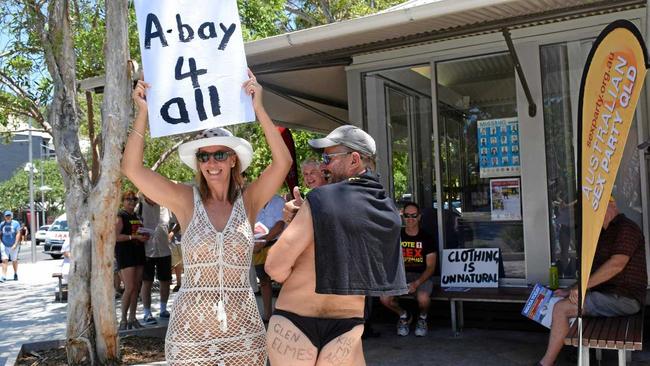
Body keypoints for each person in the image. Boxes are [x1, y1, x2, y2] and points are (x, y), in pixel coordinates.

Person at [122, 71, 291, 365]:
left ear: (233, 158)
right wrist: (144, 113)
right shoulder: (186, 200)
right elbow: (133, 170)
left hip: (244, 329)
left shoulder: (248, 200)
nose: (211, 163)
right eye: (204, 157)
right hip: (191, 330)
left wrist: (258, 108)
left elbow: (283, 162)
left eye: (219, 155)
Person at [265, 125, 407, 366]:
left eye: (328, 158)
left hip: (295, 322)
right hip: (346, 328)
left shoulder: (321, 200)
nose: (325, 166)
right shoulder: (389, 211)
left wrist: (294, 221)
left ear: (354, 159)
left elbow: (275, 267)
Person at [536, 198, 646, 366]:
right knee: (558, 300)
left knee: (561, 309)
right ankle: (575, 351)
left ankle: (545, 363)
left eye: (598, 208)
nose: (594, 214)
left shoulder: (626, 228)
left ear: (613, 205)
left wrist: (581, 288)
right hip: (608, 294)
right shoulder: (602, 233)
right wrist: (570, 289)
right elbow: (593, 274)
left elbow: (617, 265)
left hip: (625, 298)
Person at [380, 201, 438, 337]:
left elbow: (431, 268)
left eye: (413, 215)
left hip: (421, 277)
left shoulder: (427, 239)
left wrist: (416, 283)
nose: (410, 219)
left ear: (419, 217)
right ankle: (404, 315)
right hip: (401, 276)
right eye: (407, 215)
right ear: (402, 217)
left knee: (423, 298)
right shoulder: (396, 236)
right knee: (384, 298)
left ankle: (422, 318)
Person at [115, 191, 147, 330]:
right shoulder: (120, 215)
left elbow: (139, 232)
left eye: (134, 199)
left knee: (136, 288)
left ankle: (132, 318)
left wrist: (144, 236)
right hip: (125, 254)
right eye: (128, 199)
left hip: (139, 253)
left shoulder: (137, 216)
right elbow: (116, 236)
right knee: (129, 288)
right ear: (122, 201)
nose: (132, 202)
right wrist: (133, 237)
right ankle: (123, 320)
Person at [139, 195, 173, 325]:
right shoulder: (140, 207)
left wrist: (172, 232)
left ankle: (163, 310)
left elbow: (176, 221)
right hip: (147, 251)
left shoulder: (165, 206)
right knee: (147, 282)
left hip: (164, 250)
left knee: (166, 280)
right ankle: (147, 313)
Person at [253, 194, 285, 323]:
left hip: (276, 245)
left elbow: (280, 225)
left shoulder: (279, 201)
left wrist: (264, 241)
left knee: (282, 280)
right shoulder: (255, 201)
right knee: (264, 281)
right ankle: (267, 314)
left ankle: (285, 314)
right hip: (258, 246)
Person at [1, 210, 22, 282]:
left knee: (14, 260)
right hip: (4, 244)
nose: (8, 217)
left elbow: (18, 233)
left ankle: (15, 273)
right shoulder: (2, 224)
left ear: (11, 216)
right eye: (6, 216)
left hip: (14, 245)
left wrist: (15, 244)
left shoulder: (16, 223)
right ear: (4, 217)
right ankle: (3, 276)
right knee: (4, 260)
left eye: (9, 215)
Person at [168, 214, 183, 292]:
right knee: (177, 264)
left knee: (186, 262)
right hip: (172, 242)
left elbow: (181, 222)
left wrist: (172, 233)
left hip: (183, 239)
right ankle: (179, 284)